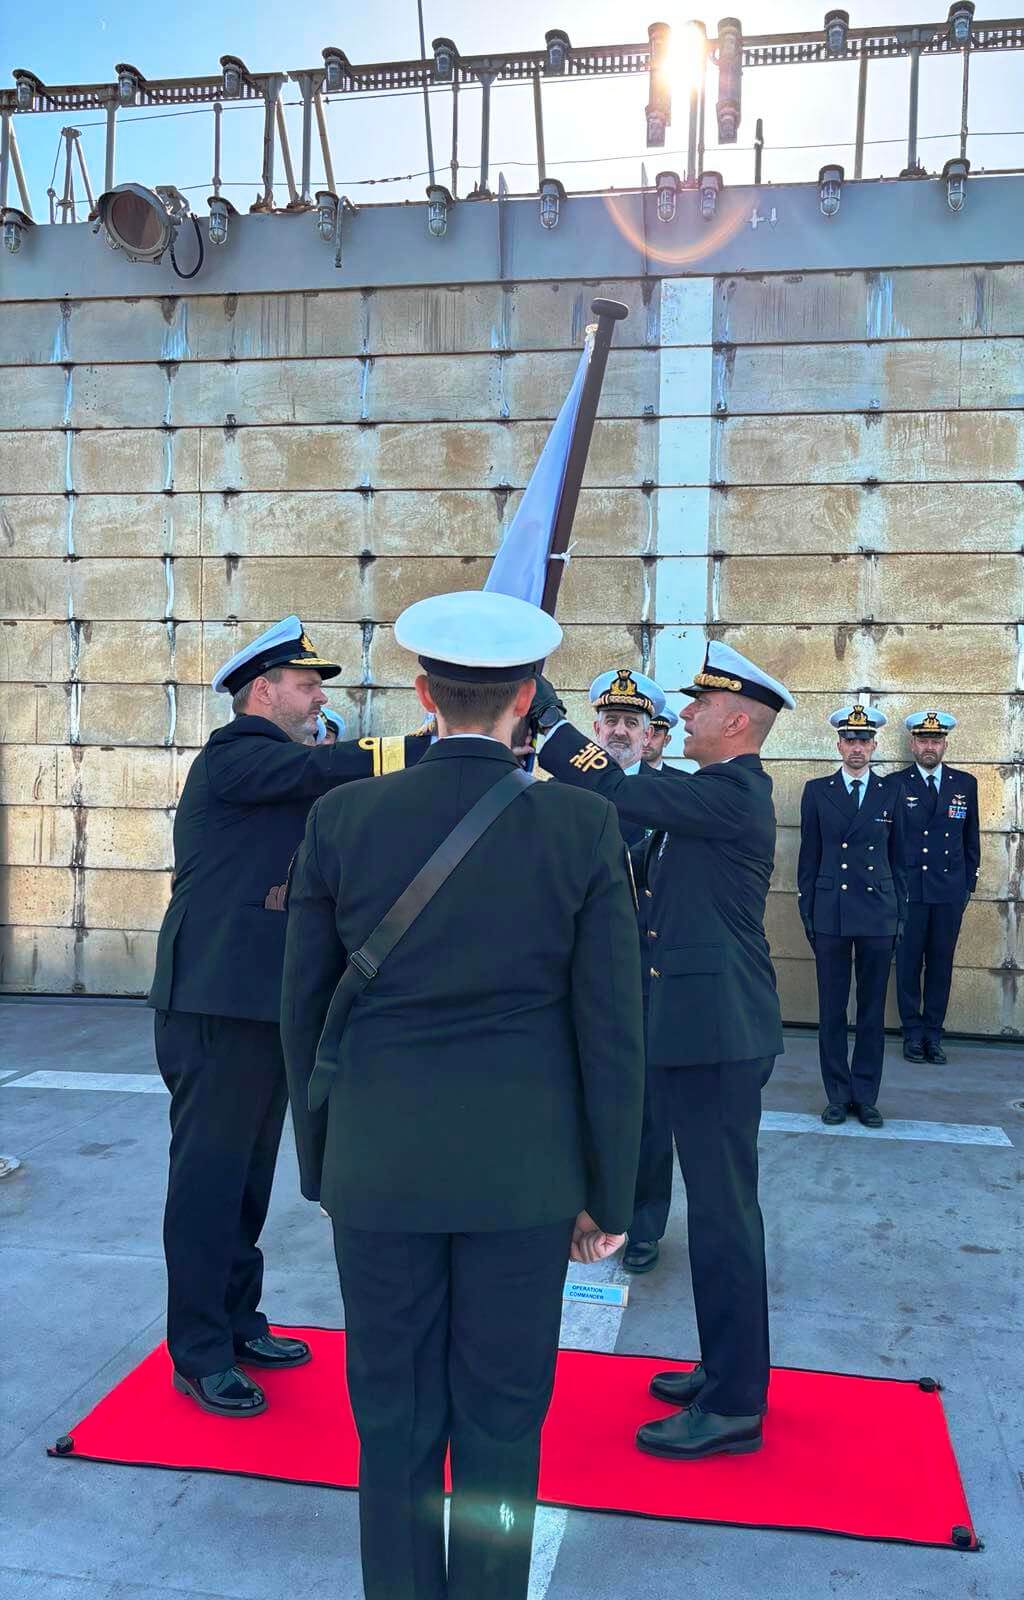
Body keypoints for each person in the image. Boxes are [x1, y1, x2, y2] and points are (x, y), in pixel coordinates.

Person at [281, 590, 643, 1600]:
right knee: (499, 1424)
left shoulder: (341, 815)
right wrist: (608, 1195)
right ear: (529, 698)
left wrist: (324, 1162)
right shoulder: (583, 824)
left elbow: (302, 1016)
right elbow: (612, 1032)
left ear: (421, 693)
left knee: (392, 1421)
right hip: (521, 1180)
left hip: (379, 1168)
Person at [534, 638, 792, 1461]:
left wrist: (544, 714)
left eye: (700, 707)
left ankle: (736, 1404)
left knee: (723, 1219)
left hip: (718, 1035)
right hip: (697, 1029)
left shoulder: (735, 793)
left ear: (739, 720)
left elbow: (615, 782)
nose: (683, 715)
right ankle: (724, 1371)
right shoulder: (713, 794)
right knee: (720, 1214)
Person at [149, 617, 412, 1418]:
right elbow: (333, 767)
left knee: (249, 1175)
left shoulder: (281, 766)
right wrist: (431, 745)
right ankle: (197, 1352)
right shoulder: (236, 756)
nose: (320, 697)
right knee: (208, 1181)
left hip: (262, 1006)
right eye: (307, 684)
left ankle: (236, 1320)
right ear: (262, 691)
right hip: (214, 1003)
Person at [587, 668, 672, 1276]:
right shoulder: (563, 796)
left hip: (644, 975)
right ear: (594, 729)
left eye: (631, 723)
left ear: (649, 738)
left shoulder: (671, 800)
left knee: (645, 1112)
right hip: (576, 974)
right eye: (610, 720)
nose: (619, 730)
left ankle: (642, 1224)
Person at [796, 704, 906, 1129]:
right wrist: (808, 910)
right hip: (832, 914)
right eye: (849, 740)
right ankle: (837, 1095)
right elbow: (809, 857)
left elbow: (900, 861)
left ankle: (867, 1095)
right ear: (838, 744)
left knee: (872, 1011)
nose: (856, 748)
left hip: (878, 913)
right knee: (832, 1010)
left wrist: (900, 916)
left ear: (874, 745)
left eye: (864, 740)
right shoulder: (816, 791)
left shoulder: (890, 792)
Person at [894, 710, 980, 1064]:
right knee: (908, 964)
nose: (930, 747)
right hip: (911, 890)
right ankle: (912, 1034)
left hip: (948, 891)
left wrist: (967, 886)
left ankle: (934, 1034)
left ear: (945, 744)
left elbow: (971, 839)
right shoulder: (896, 784)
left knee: (941, 964)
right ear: (913, 744)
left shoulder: (965, 784)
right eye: (923, 740)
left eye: (936, 740)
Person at [642, 705, 686, 776]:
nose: (646, 742)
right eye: (643, 734)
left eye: (654, 735)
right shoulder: (619, 777)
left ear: (666, 740)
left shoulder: (683, 781)